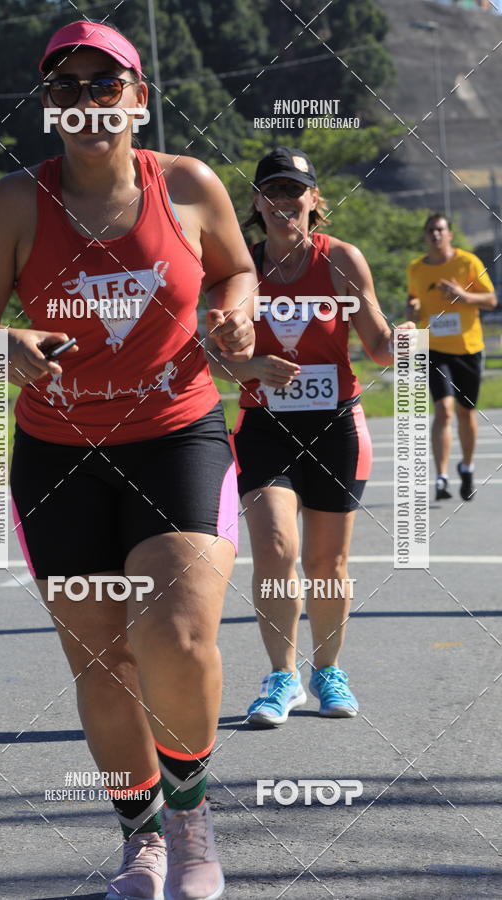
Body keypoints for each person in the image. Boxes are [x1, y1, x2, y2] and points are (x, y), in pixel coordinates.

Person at [0, 21, 256, 900]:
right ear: (48, 105)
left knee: (177, 636)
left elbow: (236, 270)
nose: (86, 102)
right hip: (60, 458)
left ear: (138, 99)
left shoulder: (187, 184)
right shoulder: (15, 202)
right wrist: (0, 344)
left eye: (104, 85)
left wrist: (236, 311)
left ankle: (190, 820)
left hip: (176, 437)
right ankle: (141, 839)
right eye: (65, 88)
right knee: (105, 665)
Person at [208, 146, 414, 725]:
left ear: (314, 199)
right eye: (272, 191)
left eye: (294, 191)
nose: (283, 201)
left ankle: (328, 671)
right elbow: (211, 357)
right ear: (256, 202)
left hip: (336, 428)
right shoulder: (240, 269)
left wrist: (402, 339)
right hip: (265, 427)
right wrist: (251, 367)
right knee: (276, 549)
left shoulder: (342, 260)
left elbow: (377, 346)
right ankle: (282, 677)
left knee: (328, 562)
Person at [406, 213, 497, 502]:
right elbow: (413, 297)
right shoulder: (416, 268)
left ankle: (467, 467)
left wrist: (464, 296)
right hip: (432, 346)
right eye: (431, 230)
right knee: (443, 409)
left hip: (467, 348)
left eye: (440, 230)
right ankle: (442, 477)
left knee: (465, 412)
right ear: (425, 236)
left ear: (449, 235)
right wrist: (412, 307)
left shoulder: (467, 262)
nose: (435, 234)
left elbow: (491, 300)